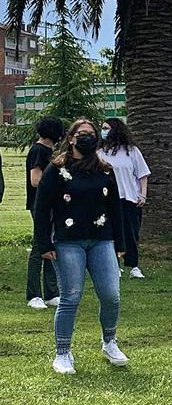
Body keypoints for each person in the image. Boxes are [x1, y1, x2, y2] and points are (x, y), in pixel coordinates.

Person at [32, 119, 128, 374]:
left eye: (92, 134)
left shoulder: (106, 170)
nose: (87, 137)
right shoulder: (57, 168)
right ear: (71, 138)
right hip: (68, 241)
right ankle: (62, 353)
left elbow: (115, 209)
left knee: (111, 295)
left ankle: (109, 341)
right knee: (71, 296)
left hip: (101, 239)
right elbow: (42, 208)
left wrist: (121, 243)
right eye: (82, 134)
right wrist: (44, 243)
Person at [98, 118, 151, 279]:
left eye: (106, 128)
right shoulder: (100, 152)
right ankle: (114, 265)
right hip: (108, 200)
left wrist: (142, 194)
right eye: (102, 128)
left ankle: (133, 265)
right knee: (110, 233)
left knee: (131, 232)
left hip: (129, 198)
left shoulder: (132, 151)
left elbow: (142, 174)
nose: (104, 131)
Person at [25, 116, 64, 310]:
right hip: (40, 205)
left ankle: (51, 292)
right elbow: (35, 180)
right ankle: (33, 294)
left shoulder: (49, 151)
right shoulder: (39, 151)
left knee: (50, 245)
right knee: (39, 246)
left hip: (52, 206)